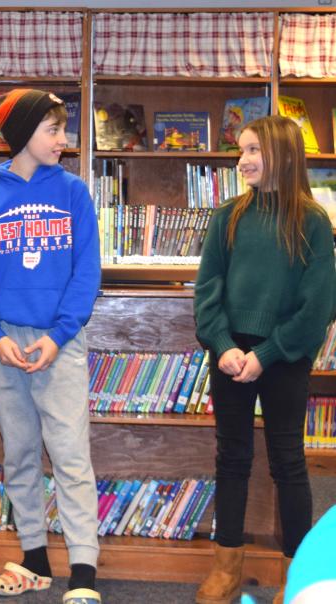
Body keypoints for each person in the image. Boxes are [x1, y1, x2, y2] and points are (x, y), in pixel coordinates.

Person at [0, 89, 102, 604]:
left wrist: (59, 334)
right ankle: (35, 558)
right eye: (53, 130)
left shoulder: (73, 193)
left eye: (63, 130)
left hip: (58, 341)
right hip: (4, 347)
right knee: (18, 452)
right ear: (22, 135)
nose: (63, 140)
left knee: (68, 453)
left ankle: (83, 569)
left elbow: (87, 273)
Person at [194, 115, 336, 604]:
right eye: (241, 151)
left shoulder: (313, 222)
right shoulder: (227, 215)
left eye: (253, 149)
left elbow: (317, 307)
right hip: (230, 353)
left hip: (285, 356)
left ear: (284, 154)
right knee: (231, 458)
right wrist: (224, 344)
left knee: (288, 461)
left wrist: (269, 353)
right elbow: (207, 290)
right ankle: (226, 566)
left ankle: (298, 575)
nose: (243, 159)